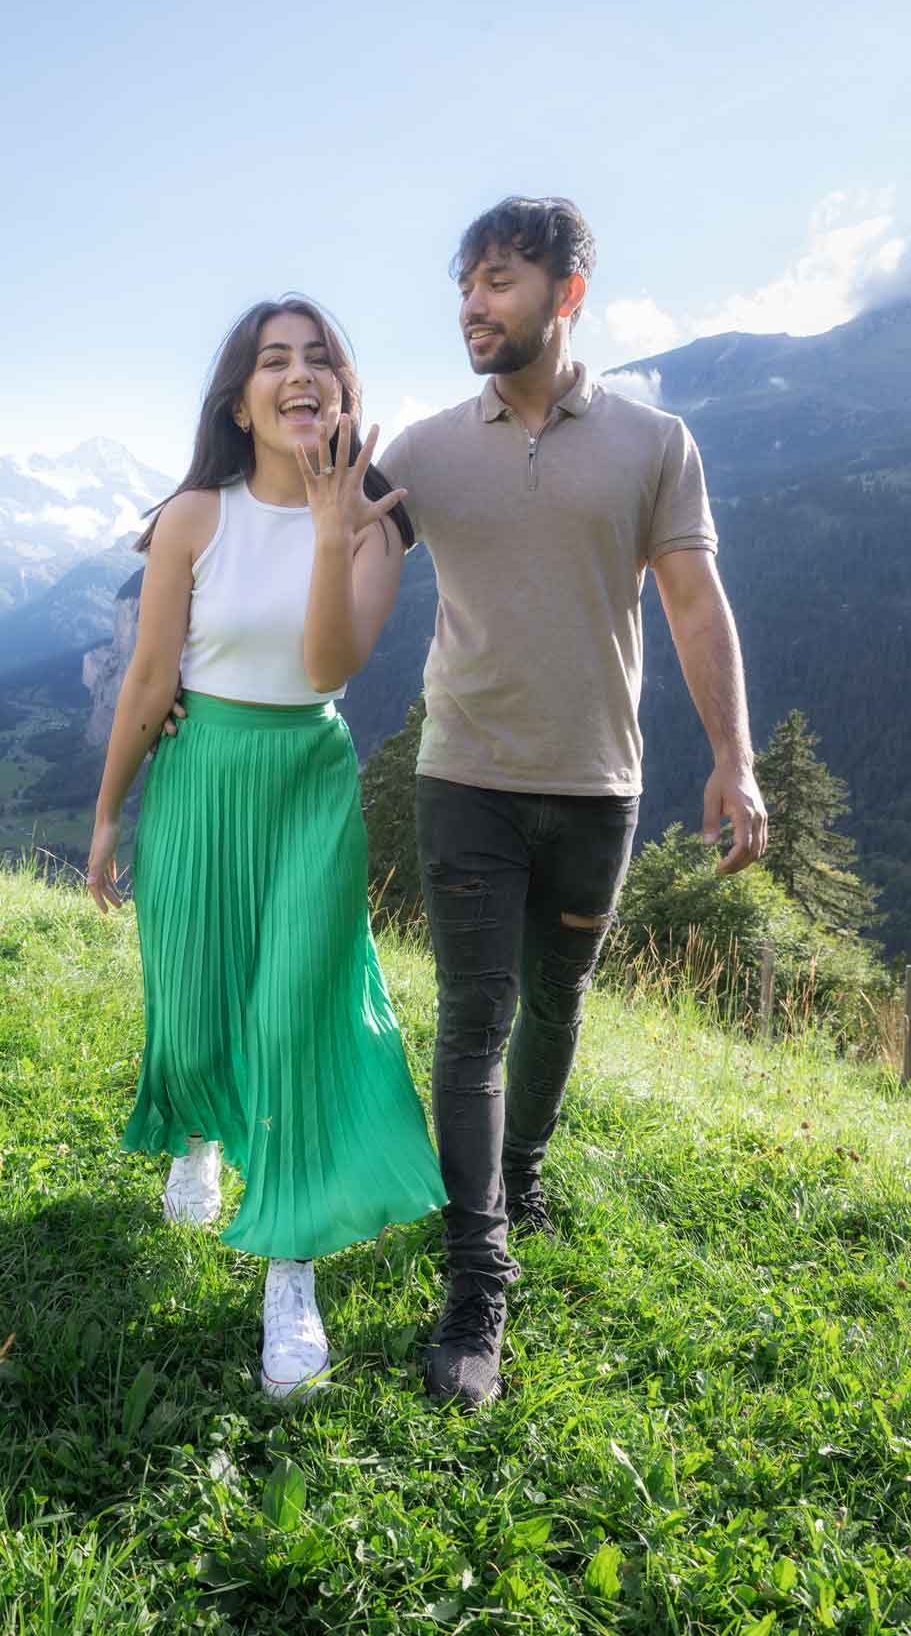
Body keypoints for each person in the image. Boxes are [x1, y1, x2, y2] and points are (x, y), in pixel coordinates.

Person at [374, 197, 768, 1410]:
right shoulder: (428, 449)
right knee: (474, 1018)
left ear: (567, 294)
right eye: (464, 287)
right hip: (467, 778)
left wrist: (734, 759)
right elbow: (314, 533)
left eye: (498, 281)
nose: (472, 308)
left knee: (558, 1004)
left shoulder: (655, 443)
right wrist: (187, 575)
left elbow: (696, 607)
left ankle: (521, 1169)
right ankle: (476, 1283)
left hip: (599, 787)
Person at [86, 295, 445, 1402]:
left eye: (318, 360)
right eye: (273, 362)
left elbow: (329, 664)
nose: (298, 376)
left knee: (296, 1013)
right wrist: (107, 816)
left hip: (306, 780)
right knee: (191, 995)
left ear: (343, 392)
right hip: (200, 777)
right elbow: (151, 680)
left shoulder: (377, 524)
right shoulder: (193, 518)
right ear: (240, 403)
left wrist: (336, 531)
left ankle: (291, 1264)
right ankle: (197, 1129)